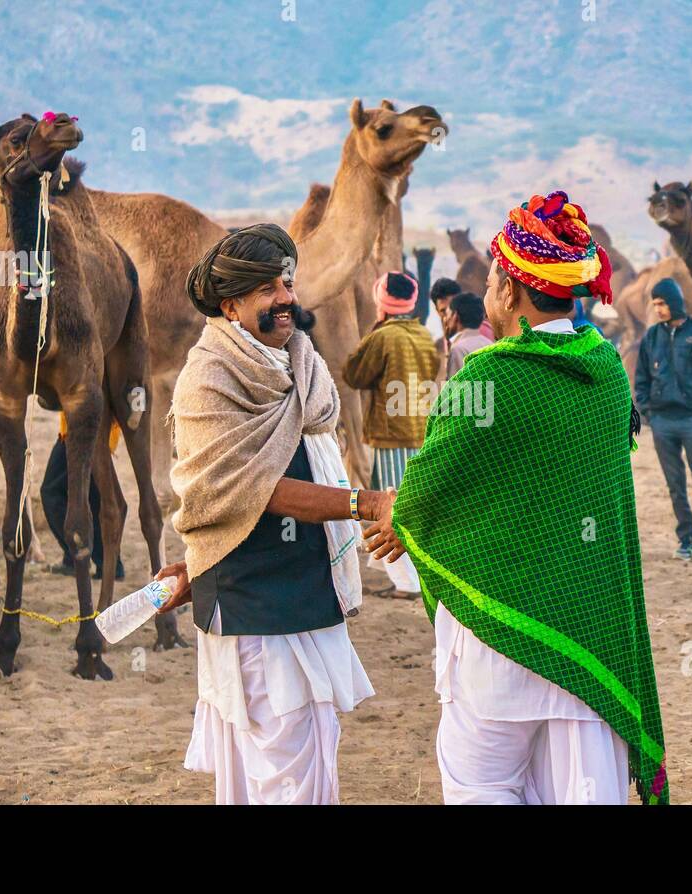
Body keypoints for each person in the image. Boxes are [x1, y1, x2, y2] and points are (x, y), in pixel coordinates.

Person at [381, 190, 669, 805]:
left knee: (482, 786)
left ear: (510, 291)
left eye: (490, 280)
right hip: (588, 636)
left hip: (495, 647)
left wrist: (397, 515)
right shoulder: (608, 372)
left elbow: (426, 493)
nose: (486, 293)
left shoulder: (486, 376)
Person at [154, 224, 396, 805]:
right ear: (230, 304)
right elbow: (252, 489)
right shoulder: (208, 378)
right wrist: (366, 504)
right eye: (267, 289)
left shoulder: (297, 362)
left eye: (286, 283)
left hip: (304, 592)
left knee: (305, 759)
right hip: (255, 606)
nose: (286, 297)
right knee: (279, 769)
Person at [343, 271, 438, 599]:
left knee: (391, 504)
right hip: (421, 429)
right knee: (410, 501)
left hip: (388, 433)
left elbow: (354, 375)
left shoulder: (383, 337)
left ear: (382, 302)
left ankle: (407, 583)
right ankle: (400, 575)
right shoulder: (424, 334)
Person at [634, 277, 692, 560]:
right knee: (675, 486)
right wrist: (649, 414)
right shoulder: (651, 337)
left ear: (674, 302)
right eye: (655, 304)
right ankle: (687, 539)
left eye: (662, 303)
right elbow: (640, 381)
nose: (658, 309)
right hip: (663, 423)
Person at [40, 417, 124, 580]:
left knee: (52, 492)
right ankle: (107, 564)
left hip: (79, 428)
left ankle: (80, 552)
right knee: (92, 496)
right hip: (95, 431)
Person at [445, 291, 493, 377]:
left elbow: (455, 388)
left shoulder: (458, 349)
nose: (446, 319)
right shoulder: (490, 345)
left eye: (447, 314)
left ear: (455, 316)